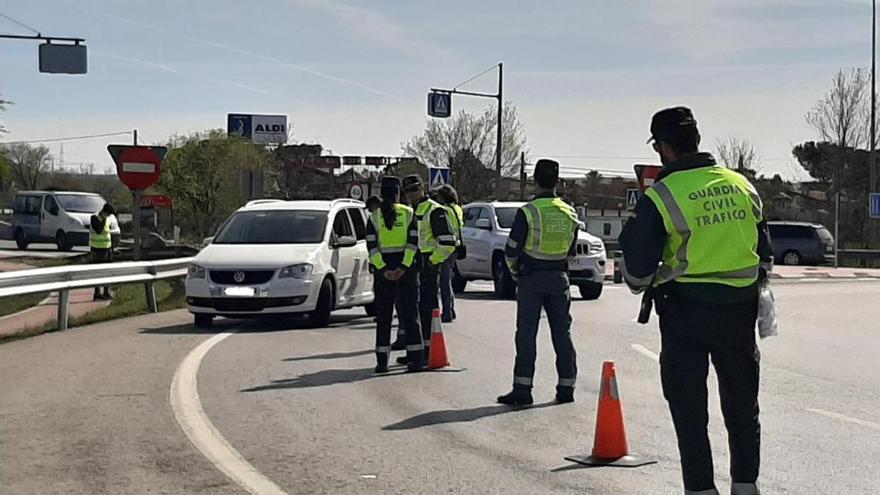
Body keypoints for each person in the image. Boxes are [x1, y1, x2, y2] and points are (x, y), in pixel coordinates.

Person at [619, 107, 772, 495]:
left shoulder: (663, 195)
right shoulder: (742, 185)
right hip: (739, 311)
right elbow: (764, 252)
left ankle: (701, 489)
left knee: (689, 410)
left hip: (684, 312)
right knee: (742, 405)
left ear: (663, 149)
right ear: (697, 141)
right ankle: (746, 486)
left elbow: (636, 273)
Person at [497, 159, 579, 406]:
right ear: (557, 181)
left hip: (531, 278)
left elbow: (511, 250)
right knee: (562, 334)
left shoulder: (528, 212)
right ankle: (566, 387)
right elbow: (572, 251)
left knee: (526, 335)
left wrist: (514, 272)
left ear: (535, 181)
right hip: (559, 278)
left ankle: (523, 389)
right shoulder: (570, 212)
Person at [365, 177, 425, 373]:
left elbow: (372, 248)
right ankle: (415, 360)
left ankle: (382, 363)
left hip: (384, 273)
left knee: (383, 318)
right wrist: (403, 267)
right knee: (409, 316)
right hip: (406, 271)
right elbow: (413, 244)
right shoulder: (409, 214)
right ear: (399, 193)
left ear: (381, 194)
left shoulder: (374, 217)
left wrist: (384, 270)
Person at [400, 174, 457, 363]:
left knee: (427, 310)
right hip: (412, 265)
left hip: (427, 265)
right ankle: (415, 352)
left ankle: (428, 351)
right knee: (411, 310)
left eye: (414, 190)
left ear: (422, 188)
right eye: (407, 191)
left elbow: (449, 242)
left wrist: (433, 262)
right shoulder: (409, 212)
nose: (411, 194)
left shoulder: (435, 210)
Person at [435, 184, 464, 323]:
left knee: (444, 281)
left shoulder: (444, 210)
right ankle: (450, 309)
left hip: (447, 247)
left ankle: (447, 311)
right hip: (456, 247)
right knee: (447, 280)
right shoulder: (457, 209)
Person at [89, 203, 115, 301]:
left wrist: (111, 248)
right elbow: (99, 230)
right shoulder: (94, 217)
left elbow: (108, 233)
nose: (109, 216)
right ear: (104, 211)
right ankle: (97, 293)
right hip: (97, 248)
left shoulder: (107, 219)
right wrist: (103, 219)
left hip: (107, 248)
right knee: (98, 272)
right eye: (108, 214)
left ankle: (106, 291)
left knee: (107, 271)